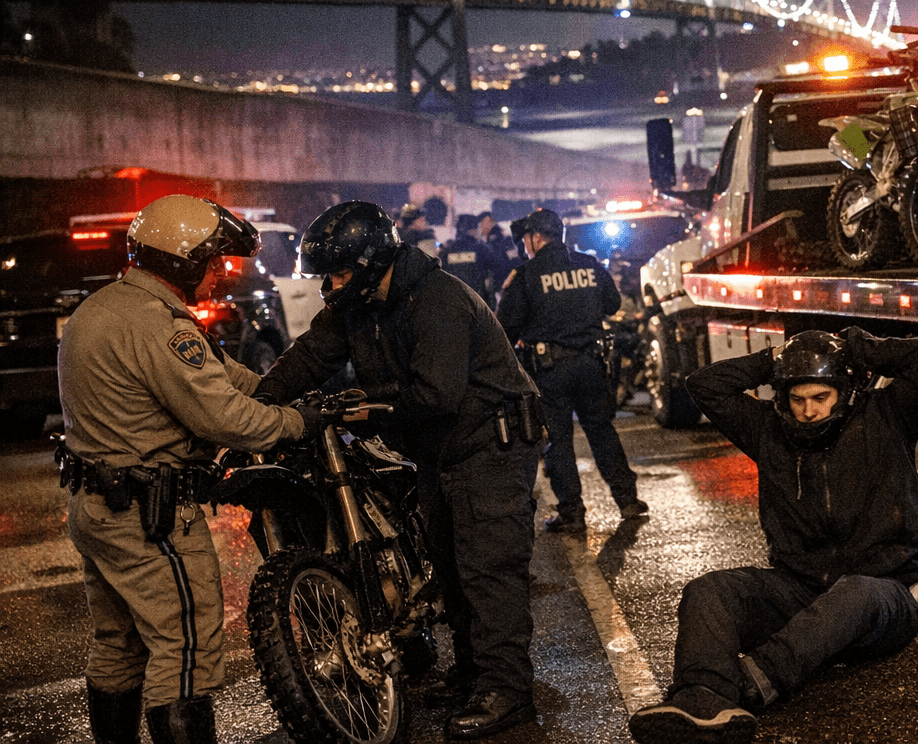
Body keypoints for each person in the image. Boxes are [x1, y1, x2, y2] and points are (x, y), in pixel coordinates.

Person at [255, 201, 544, 739]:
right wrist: (261, 402)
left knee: (488, 568)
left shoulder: (438, 299)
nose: (331, 285)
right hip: (439, 452)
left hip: (491, 445)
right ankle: (470, 672)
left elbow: (435, 393)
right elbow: (311, 354)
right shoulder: (360, 304)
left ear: (370, 262)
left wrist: (354, 401)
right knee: (449, 561)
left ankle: (508, 690)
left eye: (340, 272)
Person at [57, 196, 316, 744]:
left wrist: (287, 391)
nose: (221, 271)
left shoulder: (100, 309)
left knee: (117, 644)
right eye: (214, 259)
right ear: (183, 259)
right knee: (186, 647)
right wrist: (298, 423)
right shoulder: (157, 326)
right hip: (151, 519)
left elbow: (227, 378)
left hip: (96, 508)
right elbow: (223, 415)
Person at [628, 327, 918, 744]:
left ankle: (748, 687)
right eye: (797, 399)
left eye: (821, 398)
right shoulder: (768, 430)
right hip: (801, 591)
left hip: (885, 594)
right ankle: (702, 698)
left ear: (845, 392)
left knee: (855, 593)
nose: (808, 411)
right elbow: (704, 385)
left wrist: (857, 349)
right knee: (709, 591)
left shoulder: (888, 416)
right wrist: (775, 359)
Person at [497, 208, 646, 534]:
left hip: (550, 370)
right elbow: (612, 304)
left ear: (536, 237)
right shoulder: (589, 265)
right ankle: (628, 500)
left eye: (526, 240)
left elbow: (505, 326)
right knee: (602, 431)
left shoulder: (527, 274)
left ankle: (572, 513)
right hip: (593, 364)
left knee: (558, 442)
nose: (525, 246)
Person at [444, 212, 496, 306]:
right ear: (473, 230)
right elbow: (491, 277)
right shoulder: (482, 249)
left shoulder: (447, 251)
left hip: (454, 303)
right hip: (478, 303)